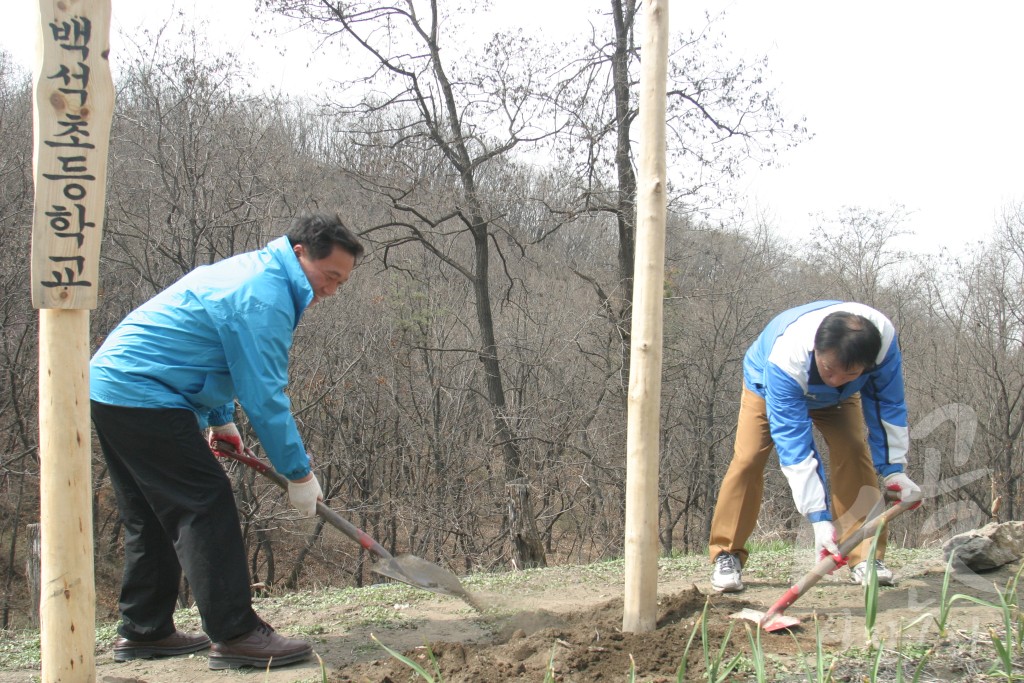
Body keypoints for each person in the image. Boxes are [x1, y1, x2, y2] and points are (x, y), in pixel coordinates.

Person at [90, 214, 364, 669]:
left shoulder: (258, 273)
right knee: (204, 502)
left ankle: (145, 629)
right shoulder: (264, 294)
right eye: (329, 276)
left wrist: (221, 420)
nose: (332, 290)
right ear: (300, 254)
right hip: (143, 391)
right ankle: (236, 633)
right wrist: (298, 471)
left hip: (115, 387)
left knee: (153, 514)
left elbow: (213, 351)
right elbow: (265, 395)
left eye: (342, 282)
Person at [708, 301, 922, 593]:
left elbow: (888, 404)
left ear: (868, 365)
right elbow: (795, 445)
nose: (833, 380)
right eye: (829, 369)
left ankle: (865, 556)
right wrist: (818, 519)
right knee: (748, 459)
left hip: (841, 400)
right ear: (816, 351)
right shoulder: (788, 357)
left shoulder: (882, 345)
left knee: (853, 450)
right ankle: (727, 554)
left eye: (849, 373)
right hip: (770, 387)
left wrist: (894, 470)